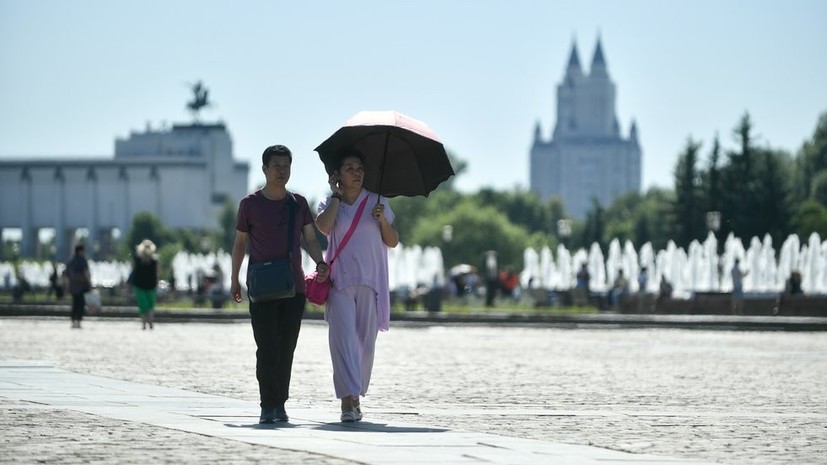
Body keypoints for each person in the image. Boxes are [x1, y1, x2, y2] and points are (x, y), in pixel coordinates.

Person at [230, 145, 329, 424]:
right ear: (264, 169)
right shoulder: (249, 204)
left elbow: (310, 238)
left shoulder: (298, 203)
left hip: (293, 287)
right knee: (266, 348)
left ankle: (280, 404)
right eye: (276, 165)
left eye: (286, 165)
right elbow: (240, 243)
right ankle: (267, 405)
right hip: (261, 288)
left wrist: (320, 262)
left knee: (286, 348)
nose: (281, 171)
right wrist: (234, 277)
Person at [315, 148, 399, 423]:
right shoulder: (329, 203)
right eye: (350, 168)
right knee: (342, 342)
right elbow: (324, 228)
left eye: (360, 168)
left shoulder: (378, 202)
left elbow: (393, 241)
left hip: (370, 283)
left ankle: (356, 394)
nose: (357, 173)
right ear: (338, 174)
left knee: (365, 345)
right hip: (340, 283)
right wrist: (337, 197)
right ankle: (346, 401)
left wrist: (382, 220)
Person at [131, 239, 160, 330]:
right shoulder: (154, 259)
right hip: (151, 284)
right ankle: (151, 322)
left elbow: (133, 269)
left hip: (139, 284)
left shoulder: (137, 259)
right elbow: (157, 272)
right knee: (151, 305)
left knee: (142, 305)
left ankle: (144, 324)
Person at [66, 244, 91, 329]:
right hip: (82, 286)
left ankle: (73, 320)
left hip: (73, 286)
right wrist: (90, 283)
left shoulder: (71, 260)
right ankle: (79, 321)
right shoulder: (82, 260)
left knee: (74, 303)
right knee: (81, 304)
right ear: (80, 251)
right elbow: (86, 272)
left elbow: (67, 274)